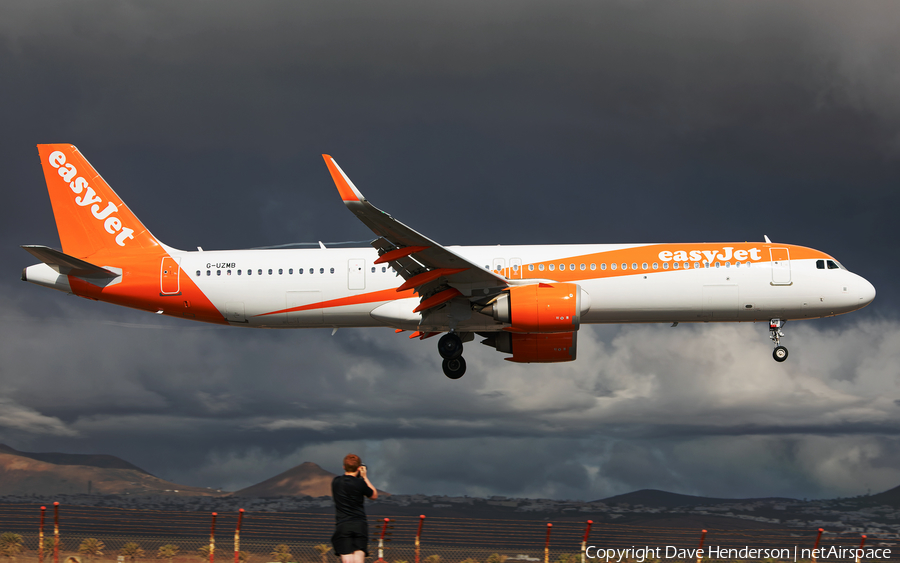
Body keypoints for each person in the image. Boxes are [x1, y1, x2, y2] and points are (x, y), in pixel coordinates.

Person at [331, 453, 378, 563]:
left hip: (343, 525)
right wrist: (364, 477)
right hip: (359, 525)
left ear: (344, 467)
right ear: (359, 468)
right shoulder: (361, 483)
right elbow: (374, 495)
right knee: (358, 558)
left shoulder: (336, 482)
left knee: (347, 560)